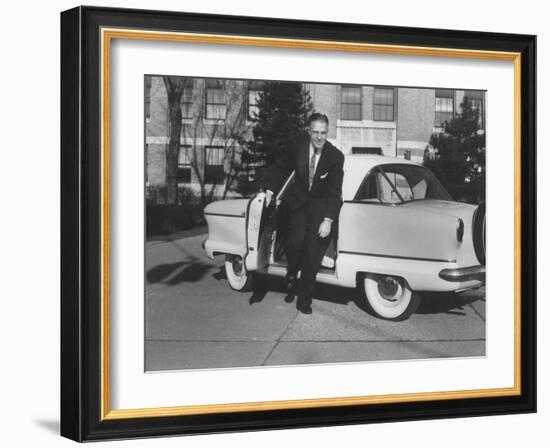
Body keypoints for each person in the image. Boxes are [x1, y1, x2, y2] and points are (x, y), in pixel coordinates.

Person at [264, 113, 344, 314]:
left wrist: (328, 220)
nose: (319, 137)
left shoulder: (335, 157)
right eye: (315, 132)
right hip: (298, 205)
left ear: (328, 133)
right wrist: (270, 189)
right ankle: (290, 274)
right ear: (309, 131)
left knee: (312, 256)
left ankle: (304, 300)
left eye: (323, 133)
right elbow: (281, 167)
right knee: (294, 243)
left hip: (320, 210)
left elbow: (335, 192)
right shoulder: (297, 146)